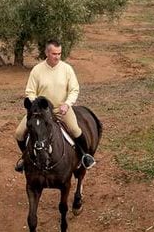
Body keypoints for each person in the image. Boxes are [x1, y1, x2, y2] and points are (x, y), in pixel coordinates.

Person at [14, 40, 96, 171]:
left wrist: (67, 104)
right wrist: (37, 105)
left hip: (61, 109)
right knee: (19, 133)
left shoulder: (67, 69)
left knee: (75, 130)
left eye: (59, 53)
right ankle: (26, 158)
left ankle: (85, 156)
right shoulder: (37, 70)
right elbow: (30, 91)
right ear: (47, 53)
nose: (57, 56)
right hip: (40, 112)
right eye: (54, 54)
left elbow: (74, 89)